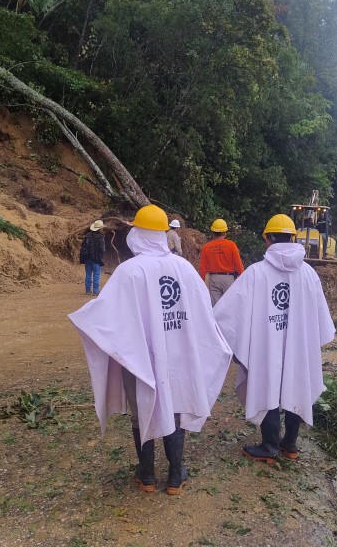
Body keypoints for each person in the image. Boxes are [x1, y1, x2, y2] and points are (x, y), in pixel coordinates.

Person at [68, 205, 232, 495]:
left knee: (140, 411)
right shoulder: (183, 269)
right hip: (179, 357)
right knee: (177, 409)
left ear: (138, 233)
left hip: (140, 359)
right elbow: (202, 309)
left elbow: (108, 314)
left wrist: (86, 318)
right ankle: (174, 477)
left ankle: (146, 475)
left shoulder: (129, 271)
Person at [213, 214, 335, 463]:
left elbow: (225, 314)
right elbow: (321, 319)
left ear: (267, 239)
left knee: (266, 385)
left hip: (265, 346)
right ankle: (290, 444)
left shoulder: (256, 274)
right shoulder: (309, 274)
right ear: (293, 238)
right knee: (296, 384)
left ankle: (269, 445)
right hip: (298, 347)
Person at [198, 218, 245, 305]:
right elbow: (238, 264)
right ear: (224, 232)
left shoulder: (206, 247)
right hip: (229, 279)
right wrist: (243, 278)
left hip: (214, 279)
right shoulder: (231, 245)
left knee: (216, 308)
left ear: (213, 232)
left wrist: (201, 281)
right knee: (230, 307)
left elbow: (202, 267)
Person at [80, 219, 105, 296]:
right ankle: (96, 291)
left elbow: (83, 247)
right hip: (96, 259)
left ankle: (88, 290)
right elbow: (102, 249)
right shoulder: (101, 237)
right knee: (96, 275)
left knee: (88, 275)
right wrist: (101, 257)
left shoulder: (88, 236)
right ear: (100, 228)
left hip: (87, 258)